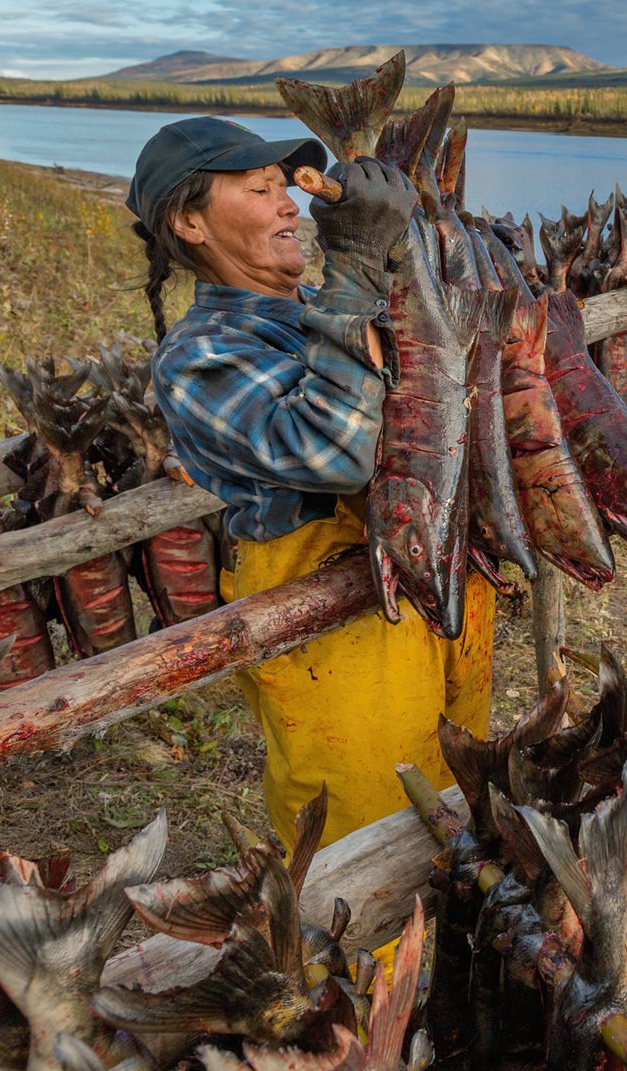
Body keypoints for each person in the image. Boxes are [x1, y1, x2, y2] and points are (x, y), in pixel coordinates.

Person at [127, 116, 495, 847]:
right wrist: (354, 262)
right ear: (189, 223)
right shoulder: (201, 355)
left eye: (284, 186)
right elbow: (335, 453)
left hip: (432, 587)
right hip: (329, 620)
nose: (289, 203)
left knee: (461, 792)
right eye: (261, 189)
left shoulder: (313, 313)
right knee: (364, 832)